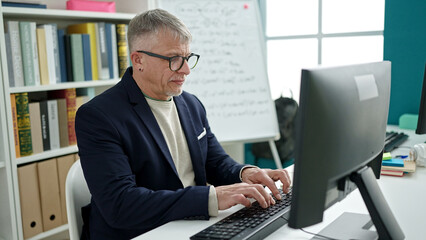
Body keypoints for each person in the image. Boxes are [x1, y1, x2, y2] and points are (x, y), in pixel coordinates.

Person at [75, 9, 291, 240]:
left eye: (187, 58)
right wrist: (211, 198)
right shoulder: (98, 116)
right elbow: (121, 205)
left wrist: (244, 173)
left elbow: (214, 161)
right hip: (140, 232)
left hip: (188, 225)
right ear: (138, 60)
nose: (186, 70)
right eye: (174, 59)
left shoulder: (191, 103)